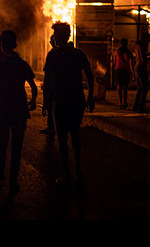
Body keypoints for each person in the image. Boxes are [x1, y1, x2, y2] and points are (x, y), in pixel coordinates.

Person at [43, 22, 94, 185]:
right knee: (75, 134)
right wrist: (91, 96)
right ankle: (78, 168)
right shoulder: (78, 54)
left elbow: (48, 79)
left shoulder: (53, 55)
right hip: (77, 99)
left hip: (61, 100)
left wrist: (45, 102)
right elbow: (90, 75)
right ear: (69, 36)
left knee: (63, 139)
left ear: (56, 38)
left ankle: (66, 173)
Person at [0, 30, 37, 193]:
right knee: (17, 146)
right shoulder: (22, 64)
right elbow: (34, 87)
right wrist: (33, 101)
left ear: (1, 45)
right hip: (20, 109)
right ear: (15, 45)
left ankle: (0, 169)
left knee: (2, 142)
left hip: (3, 108)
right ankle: (13, 179)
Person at [132, 31, 150, 112]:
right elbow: (142, 59)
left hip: (137, 67)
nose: (149, 41)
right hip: (141, 68)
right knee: (144, 88)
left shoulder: (137, 45)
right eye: (148, 39)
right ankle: (140, 107)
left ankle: (136, 106)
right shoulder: (142, 46)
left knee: (140, 89)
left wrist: (149, 54)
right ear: (145, 38)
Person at [40, 34, 57, 135]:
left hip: (54, 88)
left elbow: (47, 77)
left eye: (51, 41)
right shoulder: (75, 53)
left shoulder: (52, 54)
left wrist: (45, 100)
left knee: (51, 107)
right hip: (66, 89)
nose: (50, 43)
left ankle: (52, 127)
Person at [114, 38, 134, 109]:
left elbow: (114, 61)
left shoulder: (117, 51)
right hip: (125, 71)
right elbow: (131, 64)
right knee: (124, 88)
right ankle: (124, 103)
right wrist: (133, 74)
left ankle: (120, 103)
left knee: (119, 87)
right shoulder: (128, 53)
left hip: (118, 70)